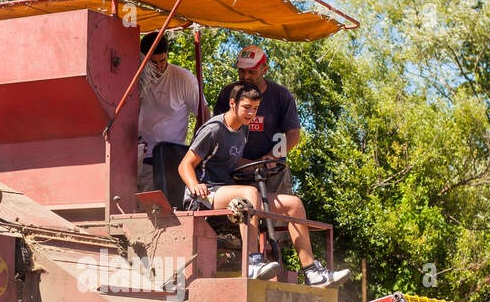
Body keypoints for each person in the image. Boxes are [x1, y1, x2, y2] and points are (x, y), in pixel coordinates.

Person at [179, 83, 350, 287]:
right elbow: (185, 165)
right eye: (246, 107)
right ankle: (252, 262)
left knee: (293, 204)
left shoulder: (243, 129)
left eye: (255, 108)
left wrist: (259, 163)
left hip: (230, 192)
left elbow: (234, 161)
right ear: (232, 103)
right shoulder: (214, 129)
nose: (251, 113)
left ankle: (312, 272)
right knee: (249, 193)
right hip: (204, 196)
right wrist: (194, 185)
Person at [136, 32, 201, 193]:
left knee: (162, 206)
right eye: (153, 62)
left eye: (162, 61)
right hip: (139, 155)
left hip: (170, 156)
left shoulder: (183, 77)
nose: (159, 66)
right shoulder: (135, 77)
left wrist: (193, 151)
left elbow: (202, 114)